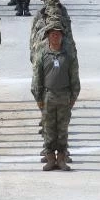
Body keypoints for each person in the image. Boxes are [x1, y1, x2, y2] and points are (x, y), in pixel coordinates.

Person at [31, 22, 80, 171]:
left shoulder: (69, 55)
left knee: (62, 130)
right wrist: (38, 98)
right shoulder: (43, 54)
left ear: (62, 37)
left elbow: (74, 77)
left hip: (64, 96)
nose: (55, 36)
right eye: (52, 34)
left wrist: (73, 97)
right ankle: (51, 158)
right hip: (48, 96)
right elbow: (37, 77)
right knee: (49, 130)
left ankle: (62, 159)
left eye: (58, 34)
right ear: (48, 36)